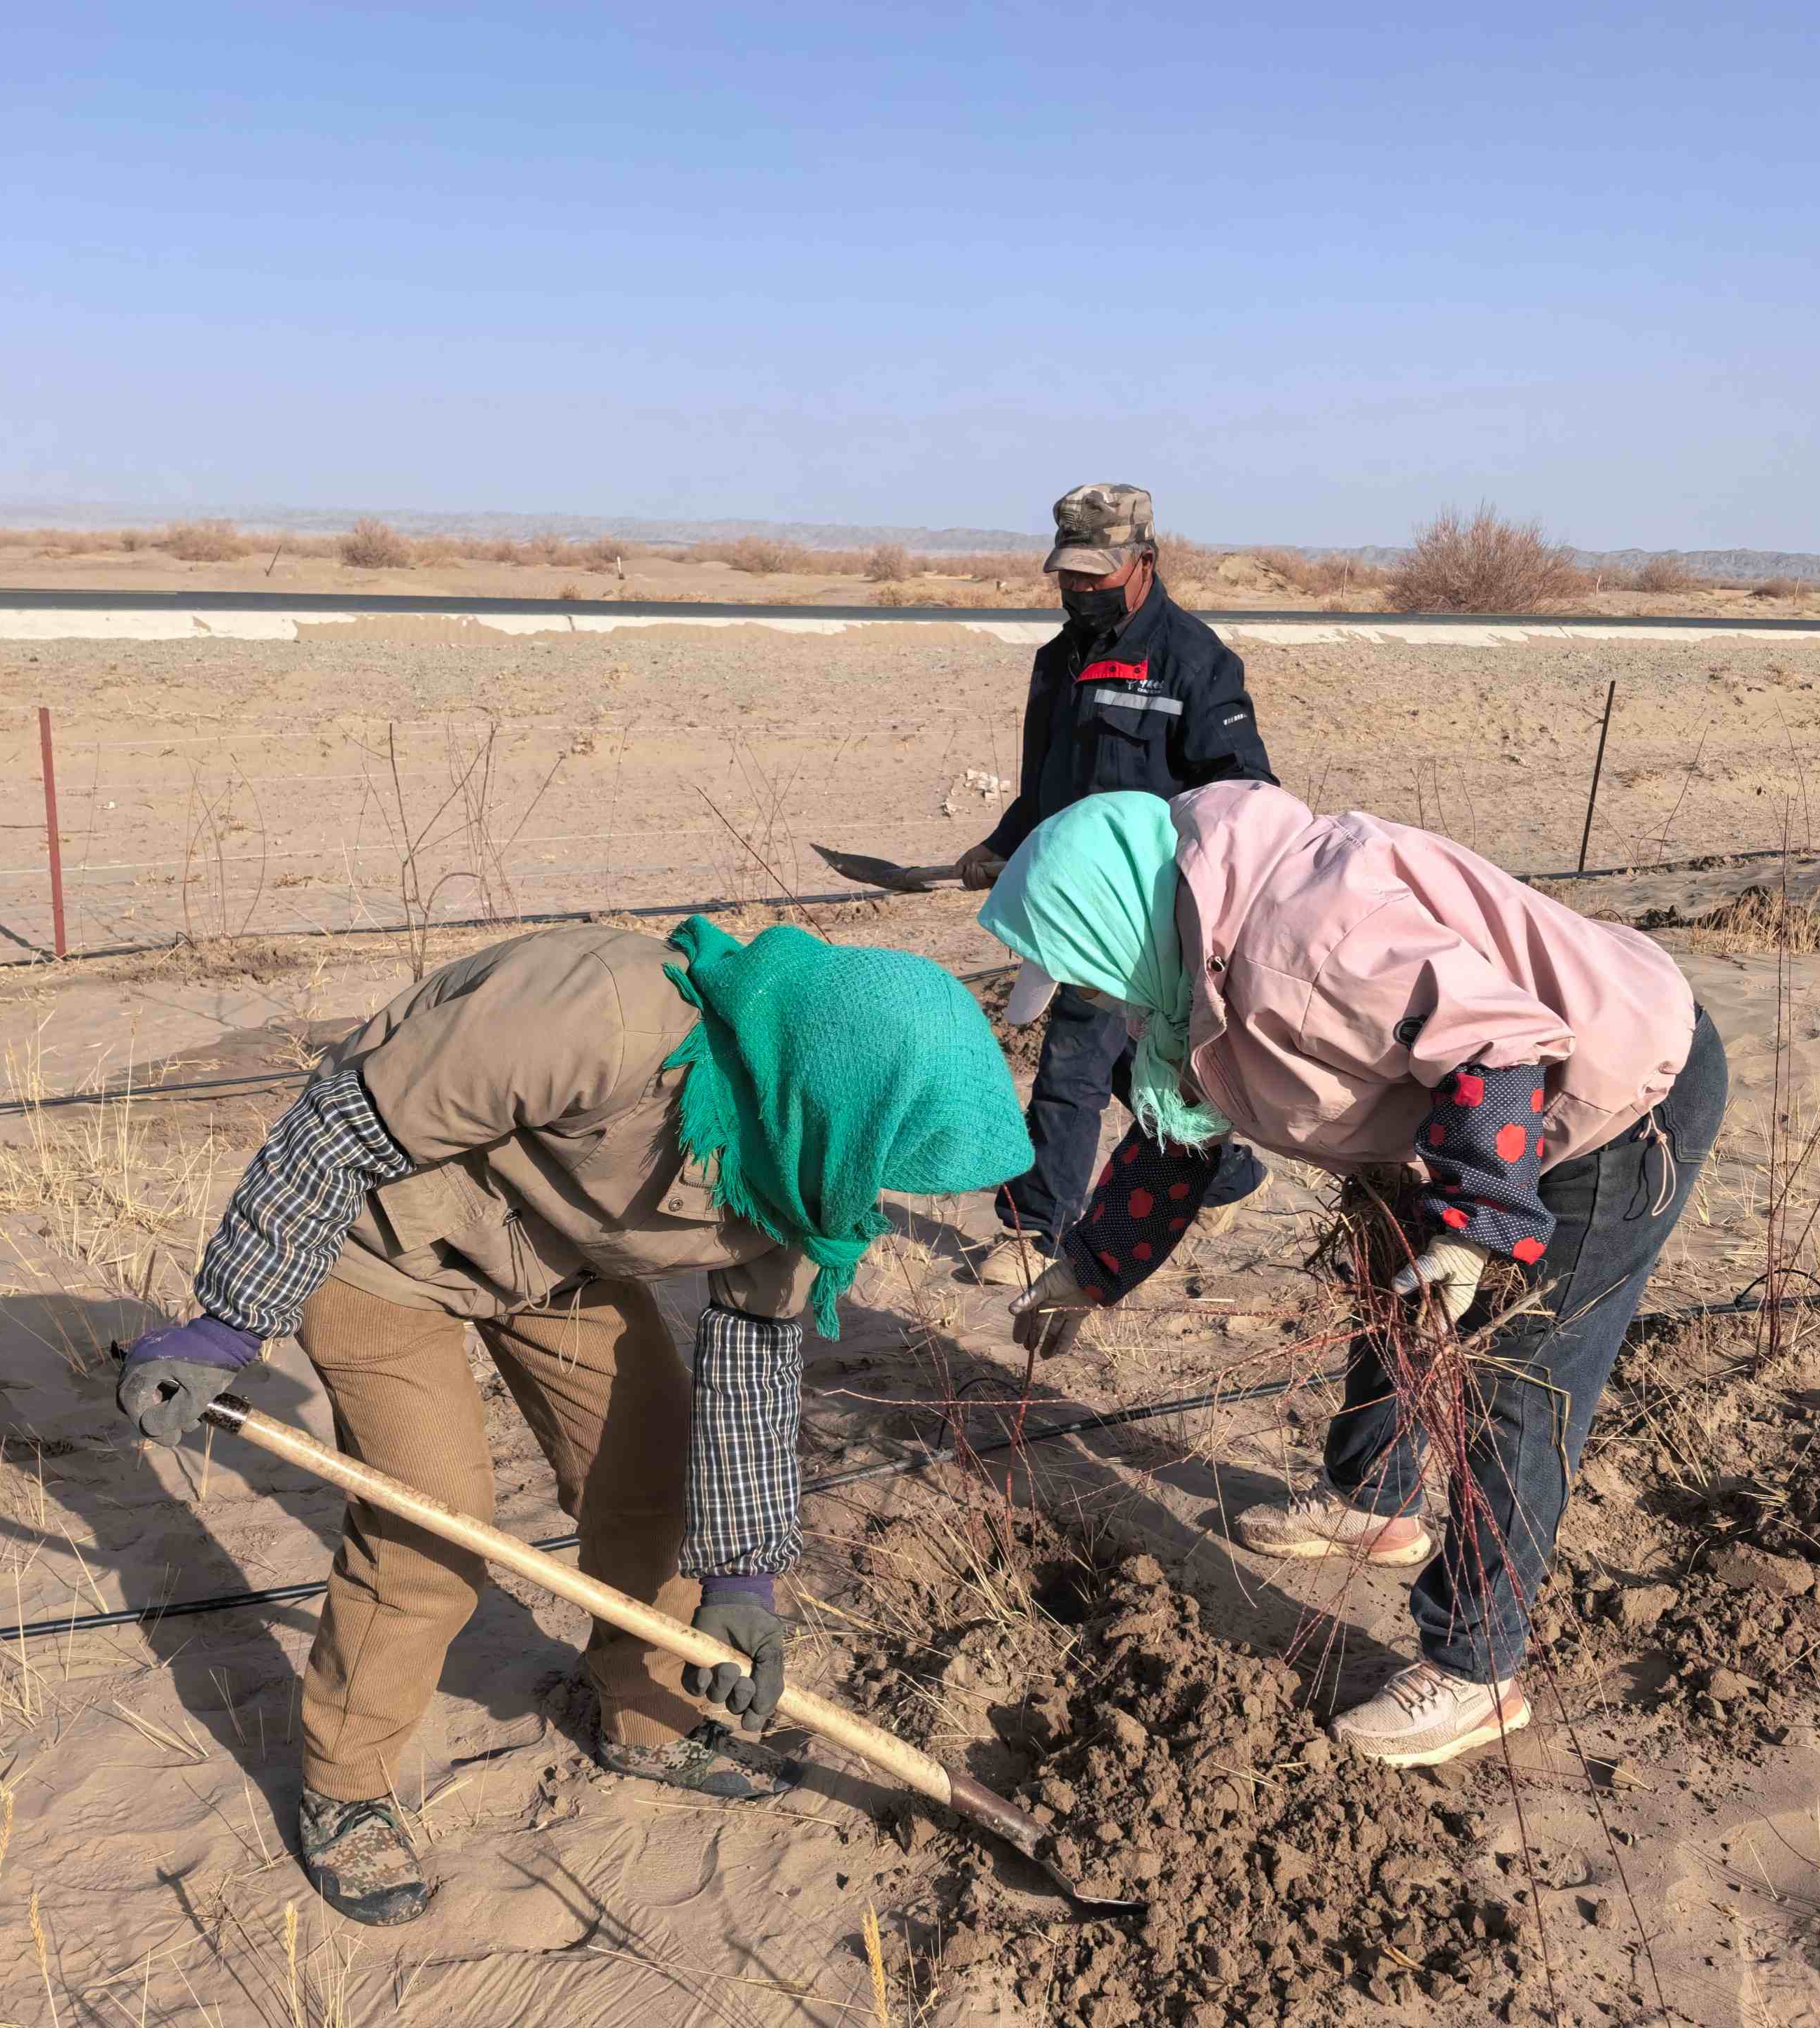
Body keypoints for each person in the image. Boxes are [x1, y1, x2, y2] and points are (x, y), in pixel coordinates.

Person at [115, 919, 1030, 1924]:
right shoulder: (601, 1012)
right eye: (881, 1153)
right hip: (379, 1246)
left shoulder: (801, 1172)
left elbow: (751, 1368)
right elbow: (339, 1129)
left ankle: (644, 1717)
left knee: (652, 1477)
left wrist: (741, 1577)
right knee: (432, 1523)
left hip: (562, 1263)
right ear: (837, 1084)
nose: (872, 1187)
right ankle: (346, 1788)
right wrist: (229, 1325)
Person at [977, 784, 1726, 1770]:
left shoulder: (1305, 938)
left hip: (1614, 1105)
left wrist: (1474, 1223)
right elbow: (1181, 1136)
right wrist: (1088, 1268)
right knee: (1394, 1284)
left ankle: (1475, 1672)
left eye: (1089, 974)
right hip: (1471, 1120)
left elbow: (1498, 1044)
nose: (1103, 1004)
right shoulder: (1193, 964)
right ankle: (1374, 1501)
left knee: (1515, 1378)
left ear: (1120, 921)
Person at [953, 482, 1277, 1285]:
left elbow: (1246, 796)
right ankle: (1226, 1176)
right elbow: (1044, 787)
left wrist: (1205, 906)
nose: (1078, 589)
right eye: (1067, 573)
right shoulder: (1057, 661)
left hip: (1145, 912)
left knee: (1072, 1060)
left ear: (1143, 563)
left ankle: (1035, 1228)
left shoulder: (1192, 661)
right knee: (1131, 1064)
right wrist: (1001, 844)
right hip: (1071, 899)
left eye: (1094, 575)